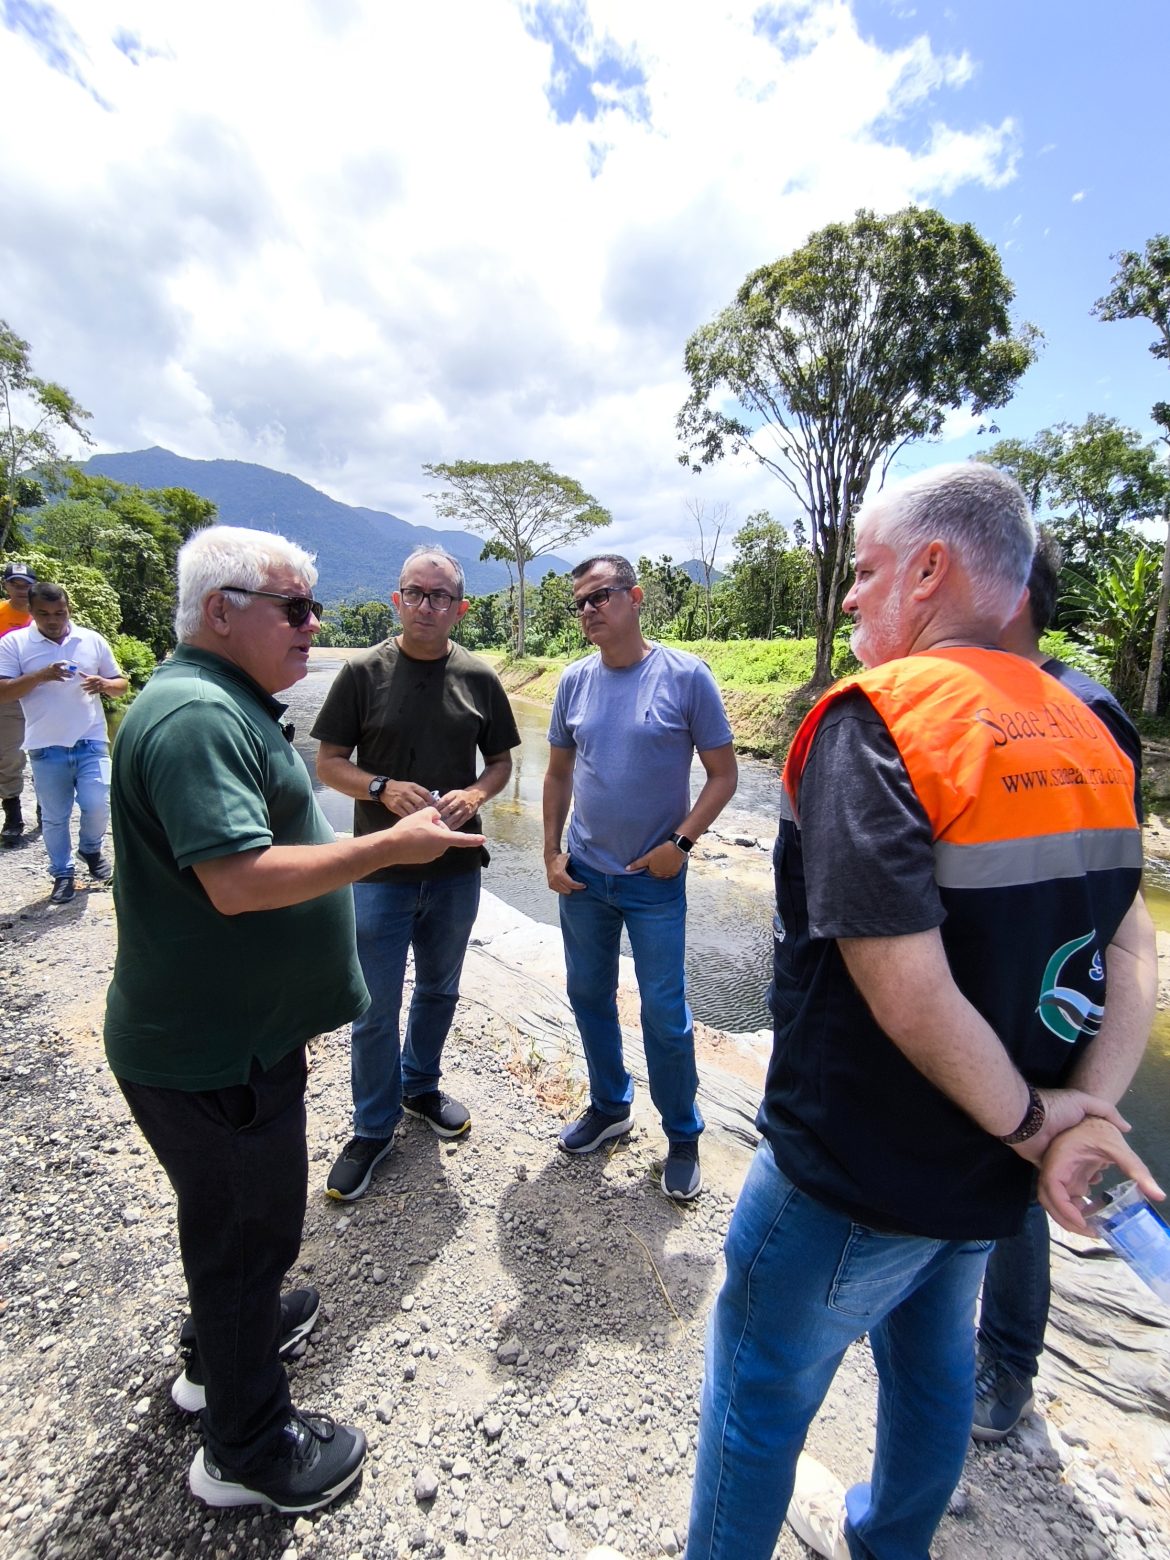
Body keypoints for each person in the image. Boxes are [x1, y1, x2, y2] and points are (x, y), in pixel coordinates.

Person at [686, 463, 1159, 1560]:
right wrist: (1077, 1116)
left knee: (756, 1395)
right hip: (993, 1174)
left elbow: (902, 984)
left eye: (863, 571)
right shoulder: (1093, 725)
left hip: (859, 1166)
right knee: (936, 1361)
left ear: (933, 569)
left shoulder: (882, 718)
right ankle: (887, 1542)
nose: (849, 599)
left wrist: (1040, 1129)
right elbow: (1134, 942)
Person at [104, 525, 484, 1515]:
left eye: (316, 607)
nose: (315, 625)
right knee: (247, 1234)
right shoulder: (194, 717)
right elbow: (235, 882)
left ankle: (217, 1352)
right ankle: (246, 1451)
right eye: (296, 607)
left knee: (234, 1233)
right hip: (215, 1053)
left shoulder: (219, 701)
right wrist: (387, 848)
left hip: (226, 1042)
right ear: (220, 611)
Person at [973, 529, 1145, 1442]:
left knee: (1025, 1171)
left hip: (1049, 996)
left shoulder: (1086, 708)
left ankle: (1007, 1363)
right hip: (983, 992)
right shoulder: (972, 702)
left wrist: (1092, 1096)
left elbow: (1115, 897)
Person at [312, 545, 520, 1201]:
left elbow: (500, 765)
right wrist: (379, 786)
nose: (427, 606)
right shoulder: (362, 674)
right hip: (378, 866)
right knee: (373, 1006)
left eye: (440, 597)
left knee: (439, 990)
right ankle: (372, 1129)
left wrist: (478, 797)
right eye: (415, 593)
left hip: (455, 871)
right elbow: (329, 764)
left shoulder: (480, 678)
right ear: (396, 599)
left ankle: (419, 1087)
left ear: (460, 608)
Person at [542, 555, 737, 1202]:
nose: (590, 609)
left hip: (654, 882)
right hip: (585, 877)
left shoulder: (685, 677)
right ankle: (610, 1107)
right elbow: (557, 775)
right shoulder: (573, 682)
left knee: (665, 1014)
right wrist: (549, 853)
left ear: (636, 597)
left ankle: (682, 1135)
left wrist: (680, 844)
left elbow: (723, 775)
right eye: (581, 602)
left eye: (601, 596)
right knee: (589, 996)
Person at [0, 581, 127, 903]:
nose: (53, 620)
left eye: (60, 612)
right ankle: (62, 873)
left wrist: (104, 684)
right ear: (31, 612)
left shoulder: (91, 639)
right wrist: (40, 675)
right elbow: (3, 693)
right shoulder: (14, 643)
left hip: (91, 738)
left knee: (98, 804)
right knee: (55, 817)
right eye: (44, 614)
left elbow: (122, 685)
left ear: (69, 609)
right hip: (45, 745)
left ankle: (90, 849)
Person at [0, 562, 35, 844]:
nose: (21, 590)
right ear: (6, 585)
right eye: (15, 584)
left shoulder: (45, 614)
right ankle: (13, 812)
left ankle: (46, 808)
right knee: (9, 754)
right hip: (8, 695)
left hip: (42, 694)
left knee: (46, 751)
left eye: (25, 585)